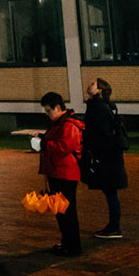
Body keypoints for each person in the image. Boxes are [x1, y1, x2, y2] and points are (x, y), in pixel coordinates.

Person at [81, 77, 127, 240]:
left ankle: (114, 227)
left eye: (93, 84)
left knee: (110, 191)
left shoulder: (98, 107)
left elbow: (100, 132)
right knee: (110, 191)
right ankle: (113, 226)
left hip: (107, 156)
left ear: (100, 90)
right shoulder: (105, 106)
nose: (89, 85)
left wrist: (91, 148)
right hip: (111, 155)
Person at [39, 91, 84, 256]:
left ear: (58, 107)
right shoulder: (60, 124)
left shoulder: (69, 125)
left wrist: (44, 144)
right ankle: (67, 242)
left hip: (66, 173)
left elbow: (64, 147)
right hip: (57, 172)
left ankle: (73, 246)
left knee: (67, 211)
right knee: (61, 211)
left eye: (49, 111)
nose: (48, 114)